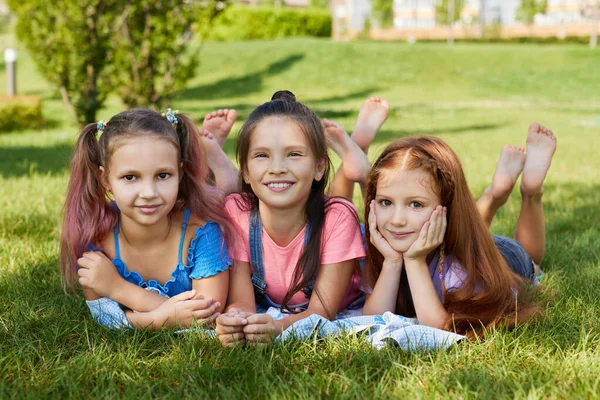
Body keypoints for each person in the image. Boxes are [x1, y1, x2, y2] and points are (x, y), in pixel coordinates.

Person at [362, 123, 556, 338]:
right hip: (463, 240)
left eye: (416, 204)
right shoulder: (382, 251)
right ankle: (494, 194)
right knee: (470, 233)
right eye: (385, 202)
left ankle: (531, 190)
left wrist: (415, 261)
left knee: (533, 262)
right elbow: (369, 321)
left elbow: (440, 331)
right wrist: (392, 261)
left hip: (504, 255)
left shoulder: (460, 269)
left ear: (447, 207)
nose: (397, 220)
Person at [59, 108, 234, 330]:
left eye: (163, 175)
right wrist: (168, 316)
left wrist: (118, 289)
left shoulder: (203, 232)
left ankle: (219, 167)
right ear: (105, 179)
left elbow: (207, 316)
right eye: (130, 177)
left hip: (197, 208)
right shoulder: (95, 236)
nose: (149, 192)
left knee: (226, 199)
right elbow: (104, 317)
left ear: (179, 174)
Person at [215, 91, 366, 346]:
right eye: (262, 156)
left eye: (294, 154)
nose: (277, 168)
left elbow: (322, 313)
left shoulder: (339, 219)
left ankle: (359, 155)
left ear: (319, 167)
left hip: (336, 305)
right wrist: (236, 320)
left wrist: (276, 327)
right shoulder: (237, 212)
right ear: (246, 170)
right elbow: (242, 300)